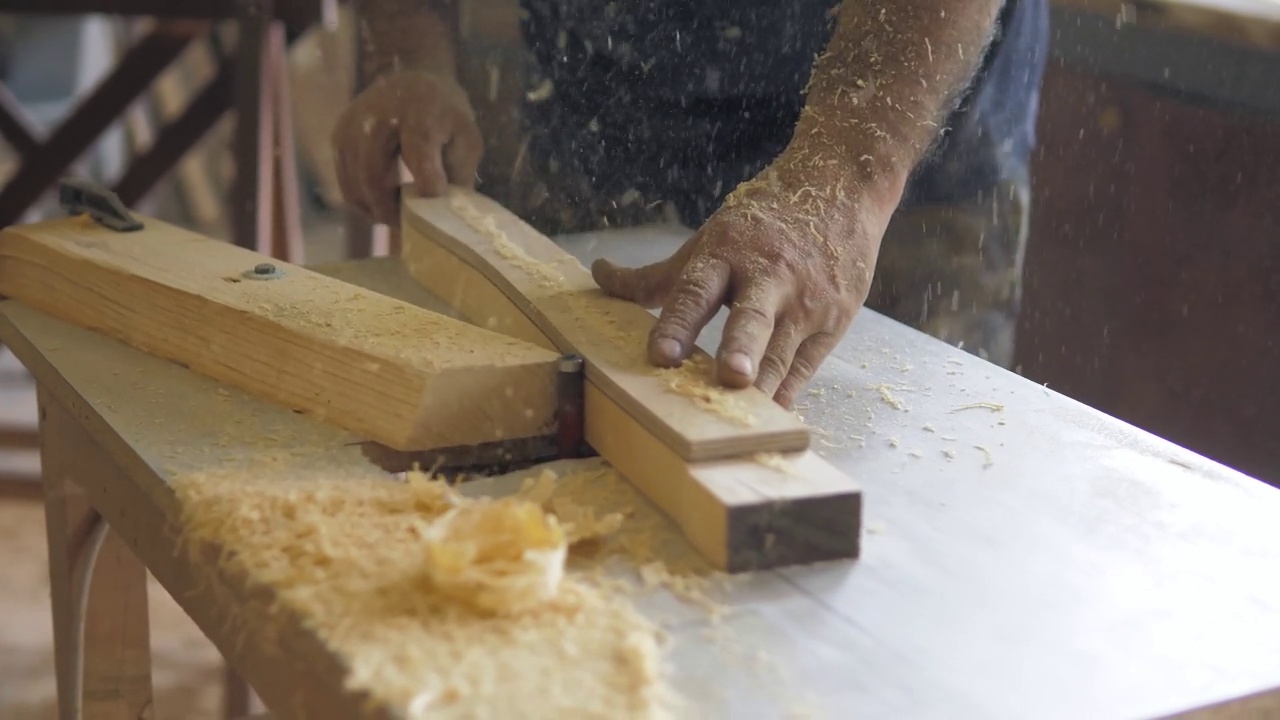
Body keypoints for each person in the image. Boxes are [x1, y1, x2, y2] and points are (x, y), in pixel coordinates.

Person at [332, 0, 1050, 408]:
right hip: (607, 103)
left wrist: (842, 184)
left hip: (900, 114)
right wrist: (409, 55)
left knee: (882, 515)